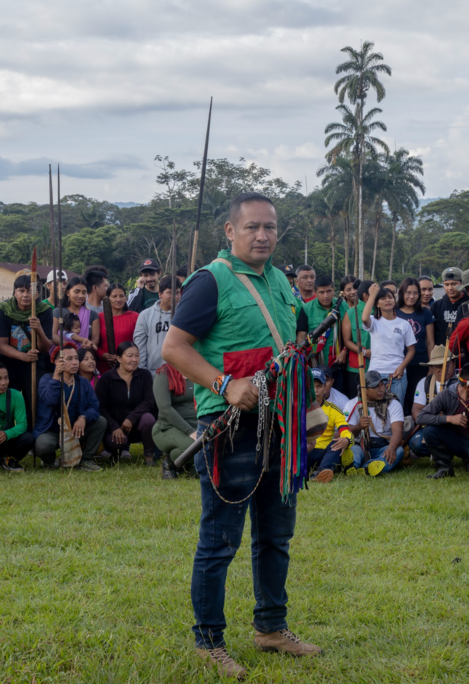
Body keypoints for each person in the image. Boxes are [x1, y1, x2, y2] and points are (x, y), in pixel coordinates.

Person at [162, 191, 321, 677]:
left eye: (270, 227)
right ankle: (208, 641)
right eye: (252, 227)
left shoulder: (280, 281)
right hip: (229, 429)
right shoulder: (210, 281)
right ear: (230, 231)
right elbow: (174, 348)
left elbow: (292, 340)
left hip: (279, 425)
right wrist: (225, 384)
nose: (262, 235)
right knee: (220, 541)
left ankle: (271, 627)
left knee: (276, 535)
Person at [33, 344, 105, 471]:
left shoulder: (83, 382)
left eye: (76, 358)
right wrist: (56, 376)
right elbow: (50, 400)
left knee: (101, 422)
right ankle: (50, 462)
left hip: (75, 429)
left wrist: (83, 417)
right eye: (69, 359)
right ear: (57, 362)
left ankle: (86, 459)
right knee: (43, 445)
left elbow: (94, 406)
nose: (75, 362)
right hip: (52, 430)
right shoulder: (46, 379)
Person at [0, 274, 53, 427]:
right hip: (8, 362)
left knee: (36, 400)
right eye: (21, 291)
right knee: (5, 401)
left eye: (30, 291)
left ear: (37, 294)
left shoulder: (44, 310)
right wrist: (23, 356)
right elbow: (2, 345)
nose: (25, 295)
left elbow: (45, 348)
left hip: (34, 363)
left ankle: (33, 432)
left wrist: (39, 330)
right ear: (15, 292)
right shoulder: (3, 310)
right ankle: (5, 432)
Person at [95, 341, 156, 464]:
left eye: (137, 355)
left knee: (148, 419)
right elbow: (100, 407)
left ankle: (149, 456)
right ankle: (114, 452)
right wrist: (114, 427)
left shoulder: (144, 375)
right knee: (116, 443)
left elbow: (149, 401)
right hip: (115, 427)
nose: (134, 360)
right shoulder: (107, 378)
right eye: (130, 356)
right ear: (119, 358)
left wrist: (131, 418)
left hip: (136, 425)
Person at [361, 282, 416, 405]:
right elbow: (364, 318)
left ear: (394, 301)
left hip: (397, 375)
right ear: (377, 304)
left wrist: (402, 367)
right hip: (376, 374)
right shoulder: (374, 321)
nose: (387, 300)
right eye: (383, 298)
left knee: (396, 407)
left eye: (390, 297)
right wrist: (372, 295)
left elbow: (411, 350)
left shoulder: (404, 324)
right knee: (375, 408)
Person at [343, 370, 406, 476]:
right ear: (364, 390)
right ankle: (355, 466)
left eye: (382, 385)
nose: (381, 389)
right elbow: (346, 433)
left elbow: (398, 432)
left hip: (383, 446)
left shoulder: (393, 403)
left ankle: (365, 468)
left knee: (398, 451)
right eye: (376, 386)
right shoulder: (352, 404)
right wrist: (358, 426)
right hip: (360, 446)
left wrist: (391, 448)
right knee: (352, 450)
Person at [307, 368, 353, 482]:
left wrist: (346, 440)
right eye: (312, 386)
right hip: (304, 451)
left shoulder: (333, 410)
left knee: (337, 443)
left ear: (325, 387)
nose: (315, 390)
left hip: (325, 453)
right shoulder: (298, 408)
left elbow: (346, 431)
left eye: (319, 386)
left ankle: (322, 472)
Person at [153, 361, 197, 479]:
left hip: (197, 423)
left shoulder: (198, 370)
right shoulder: (164, 373)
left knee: (212, 447)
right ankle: (169, 463)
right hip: (167, 427)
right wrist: (190, 431)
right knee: (192, 446)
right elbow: (165, 408)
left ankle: (187, 466)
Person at [396, 277, 435, 400]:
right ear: (401, 293)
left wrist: (431, 366)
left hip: (420, 364)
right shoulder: (393, 312)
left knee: (418, 398)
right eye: (408, 292)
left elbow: (430, 342)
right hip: (398, 364)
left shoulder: (425, 313)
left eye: (415, 293)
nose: (411, 296)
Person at [296, 275, 346, 369]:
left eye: (329, 291)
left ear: (333, 289)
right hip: (314, 361)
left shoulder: (342, 306)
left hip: (338, 362)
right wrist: (303, 360)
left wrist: (344, 351)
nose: (326, 296)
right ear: (315, 292)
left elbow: (350, 334)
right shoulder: (307, 309)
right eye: (321, 292)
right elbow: (301, 337)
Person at [92, 283, 139, 374]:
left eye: (121, 296)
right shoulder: (99, 317)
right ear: (107, 298)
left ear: (125, 298)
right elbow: (94, 342)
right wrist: (103, 355)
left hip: (128, 365)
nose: (118, 299)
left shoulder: (134, 317)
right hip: (104, 366)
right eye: (114, 296)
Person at [133, 275, 176, 373]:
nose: (174, 297)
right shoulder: (145, 315)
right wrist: (142, 372)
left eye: (177, 293)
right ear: (160, 294)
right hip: (154, 372)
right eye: (169, 293)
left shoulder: (184, 315)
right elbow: (140, 346)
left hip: (179, 372)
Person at [340, 278, 373, 401]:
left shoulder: (381, 312)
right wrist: (364, 352)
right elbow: (347, 340)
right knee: (356, 400)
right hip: (356, 366)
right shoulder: (351, 313)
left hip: (378, 364)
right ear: (366, 295)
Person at [52, 277, 95, 349]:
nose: (81, 296)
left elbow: (95, 339)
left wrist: (87, 347)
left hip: (86, 353)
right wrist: (71, 347)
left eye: (84, 292)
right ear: (67, 293)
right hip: (64, 352)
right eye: (77, 292)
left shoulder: (92, 314)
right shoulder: (58, 312)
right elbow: (54, 335)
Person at [431, 267, 468, 345]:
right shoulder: (436, 306)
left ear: (462, 283)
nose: (450, 288)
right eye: (446, 284)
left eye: (454, 284)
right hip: (442, 351)